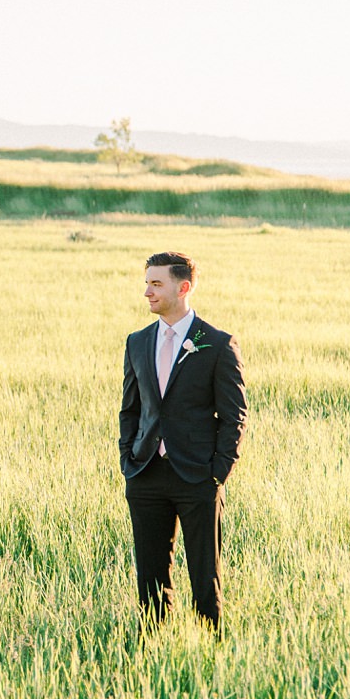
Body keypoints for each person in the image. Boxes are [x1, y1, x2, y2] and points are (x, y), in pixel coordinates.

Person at [118, 252, 246, 631]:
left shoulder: (218, 343)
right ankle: (152, 648)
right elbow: (130, 408)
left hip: (198, 477)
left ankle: (211, 648)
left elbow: (235, 415)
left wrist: (217, 473)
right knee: (150, 578)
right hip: (145, 475)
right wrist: (129, 459)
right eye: (146, 283)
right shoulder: (137, 342)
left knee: (205, 576)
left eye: (156, 284)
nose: (147, 292)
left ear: (183, 287)